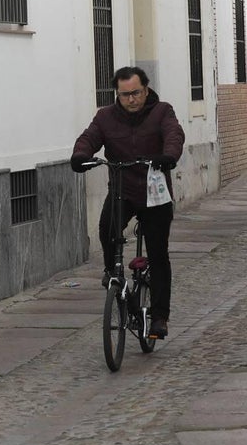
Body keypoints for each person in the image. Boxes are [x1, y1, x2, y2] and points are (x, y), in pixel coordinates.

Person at [70, 66, 185, 339]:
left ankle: (159, 318)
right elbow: (90, 137)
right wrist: (80, 155)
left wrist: (169, 155)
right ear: (117, 95)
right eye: (125, 95)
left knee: (158, 254)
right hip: (123, 190)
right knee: (107, 229)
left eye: (135, 93)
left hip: (154, 195)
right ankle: (113, 272)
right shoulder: (105, 117)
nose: (131, 99)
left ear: (145, 89)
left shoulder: (162, 112)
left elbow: (174, 134)